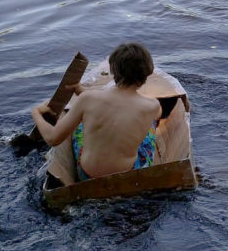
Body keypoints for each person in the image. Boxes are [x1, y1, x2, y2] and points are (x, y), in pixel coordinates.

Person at [31, 42, 162, 181]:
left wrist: (36, 113)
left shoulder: (88, 98)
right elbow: (157, 115)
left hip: (87, 175)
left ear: (113, 70)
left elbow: (52, 139)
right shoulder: (152, 106)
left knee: (81, 124)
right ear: (146, 73)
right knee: (150, 127)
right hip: (127, 174)